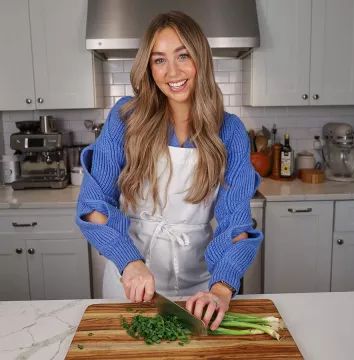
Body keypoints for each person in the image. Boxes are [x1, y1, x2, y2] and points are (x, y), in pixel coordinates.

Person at [76, 10, 263, 331]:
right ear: (149, 68)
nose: (172, 71)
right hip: (131, 281)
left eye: (183, 55)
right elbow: (94, 206)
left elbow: (236, 224)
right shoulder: (125, 119)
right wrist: (129, 262)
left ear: (200, 59)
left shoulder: (229, 130)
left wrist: (221, 289)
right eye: (159, 60)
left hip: (201, 285)